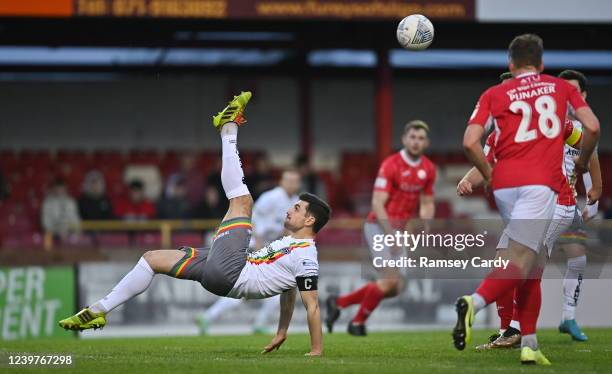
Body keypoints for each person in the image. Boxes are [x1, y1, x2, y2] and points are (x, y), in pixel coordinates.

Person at [58, 92, 331, 356]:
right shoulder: (293, 247)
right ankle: (98, 311)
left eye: (296, 208)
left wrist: (316, 350)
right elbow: (289, 291)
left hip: (230, 272)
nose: (289, 210)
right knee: (152, 259)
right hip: (223, 273)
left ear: (310, 220)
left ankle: (229, 128)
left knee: (242, 202)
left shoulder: (306, 256)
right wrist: (282, 330)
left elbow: (313, 305)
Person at [453, 34, 599, 365]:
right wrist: (583, 163)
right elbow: (592, 127)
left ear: (510, 64)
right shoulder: (559, 90)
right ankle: (474, 303)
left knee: (526, 263)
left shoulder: (495, 95)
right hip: (545, 190)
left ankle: (527, 343)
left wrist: (486, 176)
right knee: (522, 264)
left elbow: (470, 143)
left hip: (505, 188)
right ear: (542, 64)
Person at [325, 120, 436, 336]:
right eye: (412, 137)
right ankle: (357, 323)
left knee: (395, 287)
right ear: (404, 140)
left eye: (420, 138)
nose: (416, 142)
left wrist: (427, 222)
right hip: (379, 226)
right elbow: (377, 203)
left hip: (400, 231)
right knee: (390, 280)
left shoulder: (428, 169)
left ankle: (338, 303)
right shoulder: (391, 165)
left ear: (426, 143)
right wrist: (391, 235)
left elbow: (427, 202)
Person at [195, 169, 302, 335]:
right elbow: (253, 217)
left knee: (255, 290)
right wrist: (259, 246)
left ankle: (210, 317)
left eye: (295, 181)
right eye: (289, 180)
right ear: (282, 182)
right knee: (253, 289)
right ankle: (213, 317)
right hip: (252, 245)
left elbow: (288, 228)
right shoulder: (271, 197)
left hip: (268, 247)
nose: (292, 184)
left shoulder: (295, 201)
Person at [555, 70, 602, 341]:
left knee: (578, 259)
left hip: (567, 202)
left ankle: (568, 318)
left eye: (575, 91)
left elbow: (586, 162)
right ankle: (514, 324)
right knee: (528, 264)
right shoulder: (549, 122)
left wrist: (592, 199)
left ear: (583, 95)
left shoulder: (585, 128)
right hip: (540, 201)